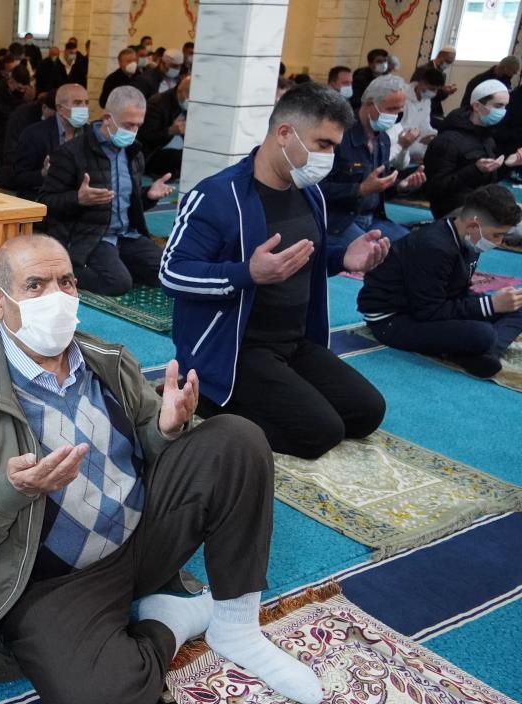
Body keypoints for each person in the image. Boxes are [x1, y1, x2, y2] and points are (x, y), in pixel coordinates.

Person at [0, 233, 326, 704]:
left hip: (140, 538)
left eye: (66, 282)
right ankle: (171, 619)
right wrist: (9, 491)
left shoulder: (106, 358)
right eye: (35, 285)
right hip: (49, 579)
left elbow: (147, 443)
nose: (56, 296)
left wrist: (165, 428)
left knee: (237, 439)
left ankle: (236, 628)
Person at [160, 82, 389, 460]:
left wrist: (341, 258)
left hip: (294, 342)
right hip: (236, 351)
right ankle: (207, 401)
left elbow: (298, 259)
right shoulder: (217, 195)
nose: (330, 157)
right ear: (285, 133)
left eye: (333, 146)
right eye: (323, 144)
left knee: (366, 412)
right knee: (321, 433)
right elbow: (172, 273)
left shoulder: (309, 192)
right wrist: (247, 273)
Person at [358, 184, 522, 378]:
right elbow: (428, 311)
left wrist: (494, 305)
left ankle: (482, 354)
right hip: (393, 319)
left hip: (428, 306)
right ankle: (478, 349)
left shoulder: (468, 239)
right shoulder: (434, 247)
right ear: (473, 226)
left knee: (516, 306)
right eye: (497, 235)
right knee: (483, 334)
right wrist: (490, 305)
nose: (500, 242)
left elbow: (456, 291)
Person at [40, 85, 173, 297]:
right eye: (128, 125)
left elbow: (127, 202)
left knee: (167, 274)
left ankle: (119, 263)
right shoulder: (72, 152)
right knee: (118, 284)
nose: (133, 131)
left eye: (138, 125)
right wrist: (78, 199)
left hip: (126, 235)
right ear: (107, 118)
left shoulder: (134, 152)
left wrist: (149, 195)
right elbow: (45, 202)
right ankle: (63, 269)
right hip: (90, 236)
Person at [320, 74, 424, 247]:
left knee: (412, 245)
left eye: (399, 111)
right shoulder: (338, 136)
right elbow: (316, 189)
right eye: (391, 109)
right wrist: (360, 189)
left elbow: (378, 188)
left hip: (373, 218)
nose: (395, 116)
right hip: (339, 221)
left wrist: (401, 185)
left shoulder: (383, 139)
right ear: (369, 103)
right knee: (376, 252)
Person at [424, 80, 522, 219]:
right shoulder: (448, 140)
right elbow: (435, 188)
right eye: (498, 106)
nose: (503, 112)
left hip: (480, 204)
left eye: (505, 106)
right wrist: (475, 169)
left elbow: (487, 181)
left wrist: (507, 165)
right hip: (456, 210)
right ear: (477, 106)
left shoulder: (487, 138)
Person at [9, 84, 86, 198]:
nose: (84, 108)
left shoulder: (90, 133)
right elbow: (19, 178)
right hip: (43, 198)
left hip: (80, 198)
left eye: (86, 103)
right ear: (60, 108)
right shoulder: (34, 134)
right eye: (77, 103)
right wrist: (43, 174)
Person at [0, 64, 35, 163]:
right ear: (10, 83)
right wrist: (8, 128)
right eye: (19, 88)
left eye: (24, 89)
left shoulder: (25, 100)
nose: (22, 92)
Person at [388, 66, 443, 164]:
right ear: (422, 82)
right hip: (398, 141)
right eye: (432, 89)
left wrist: (433, 136)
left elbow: (425, 125)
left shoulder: (426, 100)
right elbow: (396, 129)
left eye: (436, 90)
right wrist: (418, 140)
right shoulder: (402, 95)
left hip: (415, 141)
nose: (434, 93)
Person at [139, 76, 190, 177]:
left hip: (178, 147)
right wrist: (170, 131)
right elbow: (145, 137)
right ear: (180, 91)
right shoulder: (157, 104)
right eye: (189, 97)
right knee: (185, 158)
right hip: (154, 153)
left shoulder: (187, 107)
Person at [411, 47, 457, 125]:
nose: (448, 64)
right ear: (440, 56)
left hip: (433, 110)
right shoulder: (423, 69)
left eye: (451, 62)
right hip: (418, 107)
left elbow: (439, 97)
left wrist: (446, 92)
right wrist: (442, 90)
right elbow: (415, 90)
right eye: (448, 61)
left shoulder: (443, 74)